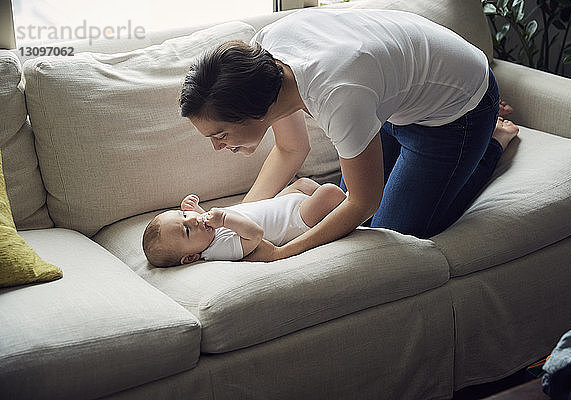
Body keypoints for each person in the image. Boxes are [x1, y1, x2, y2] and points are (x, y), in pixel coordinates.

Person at [178, 8, 519, 262]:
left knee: (387, 233)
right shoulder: (264, 63)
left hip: (460, 107)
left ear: (253, 110)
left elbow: (362, 201)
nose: (217, 146)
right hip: (390, 101)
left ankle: (491, 141)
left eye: (220, 134)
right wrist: (238, 219)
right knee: (338, 215)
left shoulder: (337, 93)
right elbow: (290, 149)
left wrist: (283, 253)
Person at [142, 178, 346, 266]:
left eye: (183, 216)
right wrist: (222, 218)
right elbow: (255, 235)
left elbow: (207, 225)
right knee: (330, 192)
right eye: (186, 230)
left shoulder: (205, 235)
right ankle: (350, 212)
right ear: (191, 258)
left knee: (303, 183)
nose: (194, 220)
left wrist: (195, 210)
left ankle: (340, 211)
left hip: (281, 203)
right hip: (295, 220)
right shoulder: (220, 250)